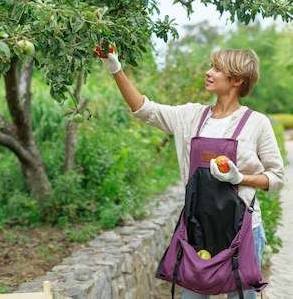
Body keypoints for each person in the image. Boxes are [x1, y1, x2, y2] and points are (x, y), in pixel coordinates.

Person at [98, 48, 284, 298]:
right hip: (197, 228)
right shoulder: (190, 116)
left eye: (217, 69)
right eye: (211, 66)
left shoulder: (256, 123)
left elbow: (276, 177)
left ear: (237, 80)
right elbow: (144, 109)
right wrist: (115, 69)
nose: (208, 72)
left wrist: (240, 179)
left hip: (243, 230)